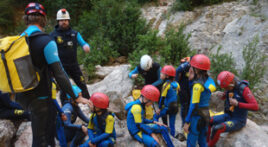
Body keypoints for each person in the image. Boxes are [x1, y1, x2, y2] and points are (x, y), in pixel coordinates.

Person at [16, 3, 90, 147]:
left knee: (42, 134)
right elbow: (60, 74)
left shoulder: (19, 39)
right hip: (42, 97)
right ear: (44, 20)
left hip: (24, 95)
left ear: (26, 19)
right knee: (42, 138)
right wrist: (75, 96)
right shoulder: (46, 41)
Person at [207, 71, 259, 147]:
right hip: (228, 115)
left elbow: (255, 106)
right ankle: (206, 142)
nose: (226, 89)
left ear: (232, 82)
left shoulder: (244, 89)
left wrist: (238, 104)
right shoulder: (230, 86)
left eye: (227, 87)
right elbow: (227, 94)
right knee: (208, 121)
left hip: (238, 120)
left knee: (217, 128)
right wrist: (223, 95)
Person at [50, 8, 91, 101]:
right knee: (64, 89)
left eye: (65, 20)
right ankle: (65, 110)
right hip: (61, 67)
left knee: (82, 85)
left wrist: (86, 46)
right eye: (61, 20)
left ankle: (91, 107)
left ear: (68, 21)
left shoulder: (75, 34)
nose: (64, 22)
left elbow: (83, 43)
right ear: (58, 21)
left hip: (74, 65)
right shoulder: (53, 36)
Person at [183, 54, 216, 147]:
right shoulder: (209, 81)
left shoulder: (197, 86)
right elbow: (211, 88)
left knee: (191, 142)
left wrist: (186, 122)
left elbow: (193, 105)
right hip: (206, 115)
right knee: (202, 142)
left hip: (196, 117)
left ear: (196, 69)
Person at [154, 65, 180, 137]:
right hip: (175, 107)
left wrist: (159, 108)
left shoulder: (166, 85)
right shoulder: (177, 84)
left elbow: (162, 98)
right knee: (172, 124)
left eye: (162, 73)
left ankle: (157, 131)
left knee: (155, 117)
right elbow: (177, 93)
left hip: (168, 107)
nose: (160, 74)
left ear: (167, 76)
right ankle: (172, 137)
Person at [175, 57, 191, 141]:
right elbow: (177, 70)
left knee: (189, 106)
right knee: (184, 106)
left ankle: (188, 124)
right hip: (182, 88)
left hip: (189, 87)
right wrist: (177, 84)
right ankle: (183, 125)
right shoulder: (187, 65)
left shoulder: (195, 66)